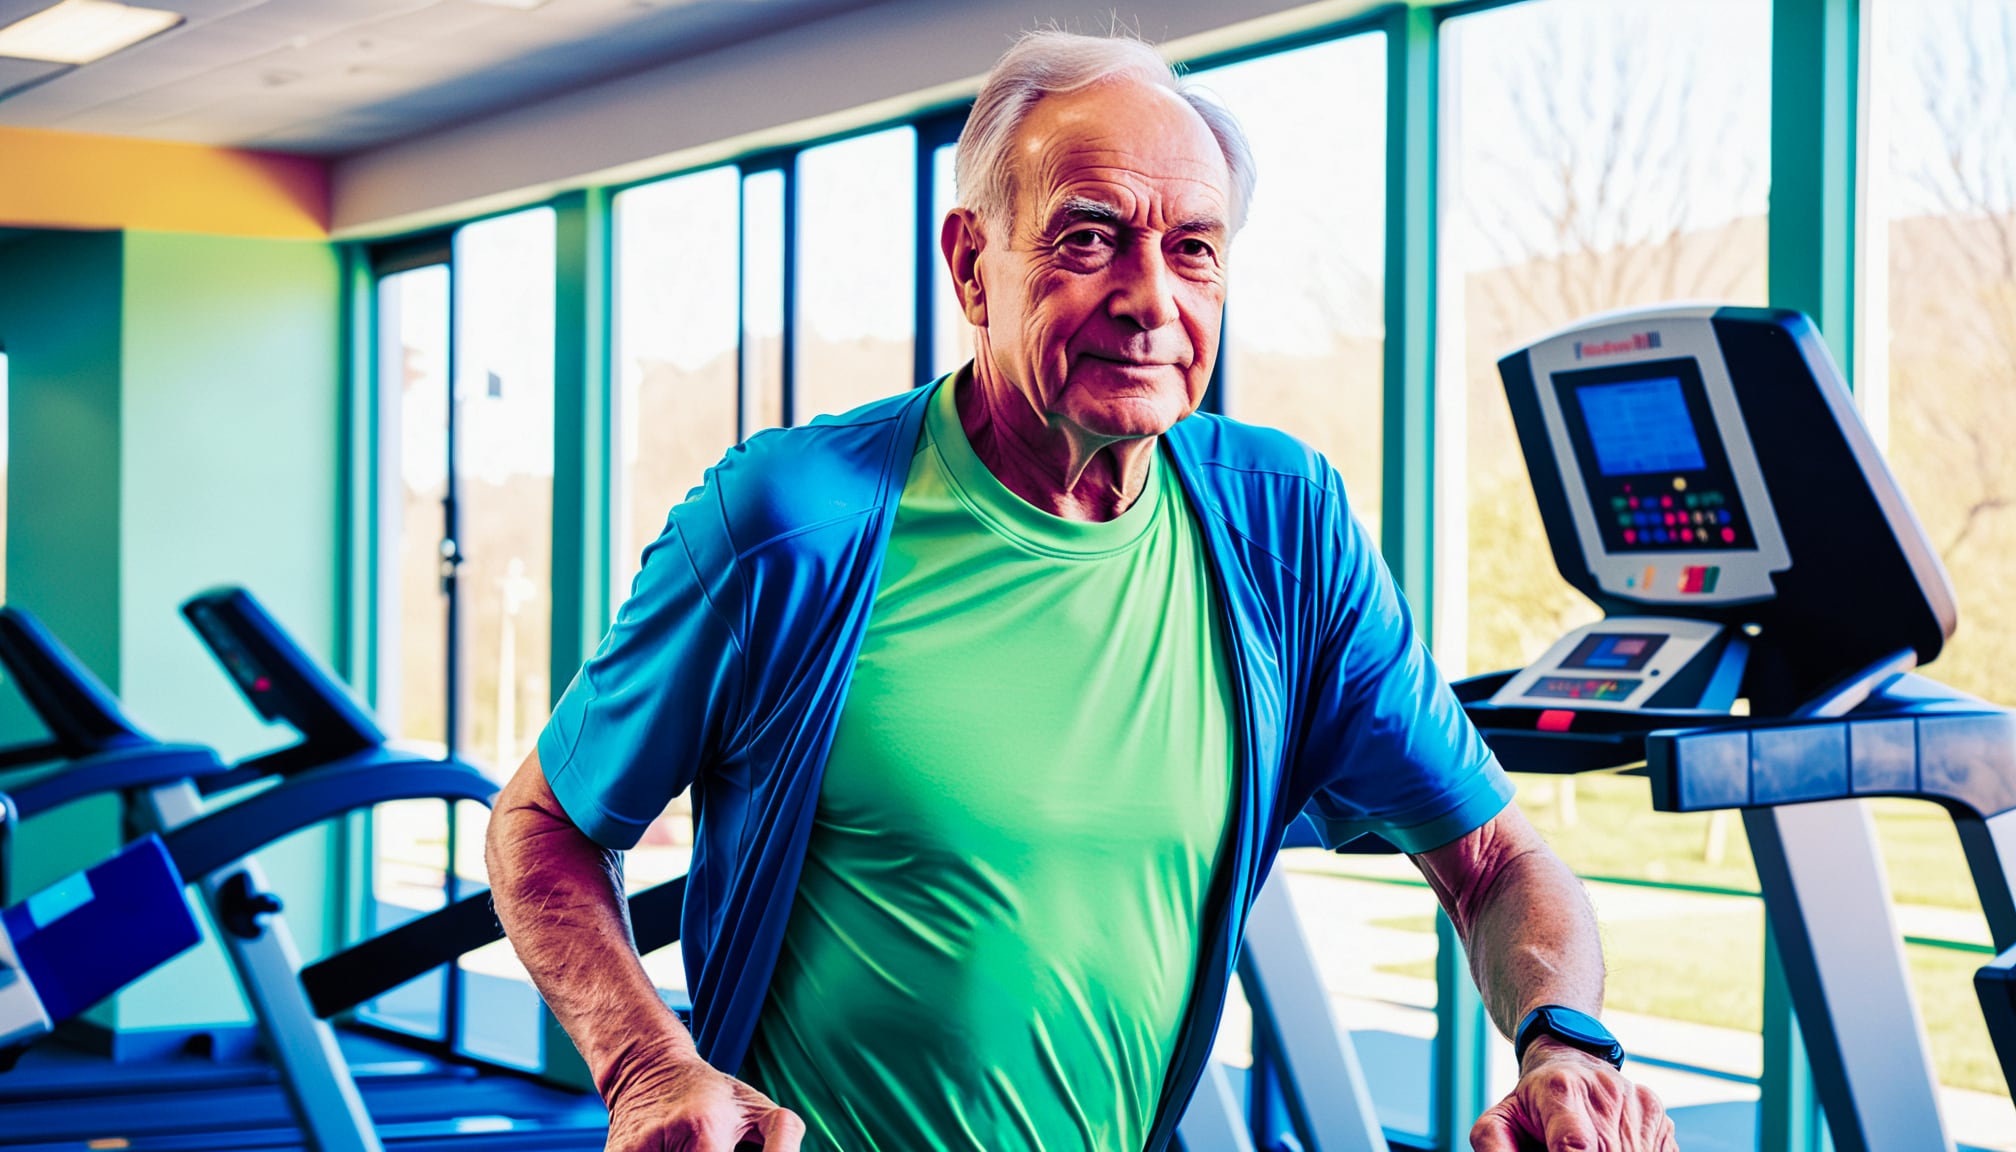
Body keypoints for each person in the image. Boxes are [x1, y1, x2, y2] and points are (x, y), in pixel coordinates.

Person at [487, 29, 1678, 1152]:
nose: (1151, 296)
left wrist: (1561, 1040)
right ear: (971, 265)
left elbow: (1499, 864)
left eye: (1193, 248)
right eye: (1090, 237)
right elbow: (543, 826)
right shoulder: (789, 522)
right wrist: (646, 1063)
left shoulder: (1283, 526)